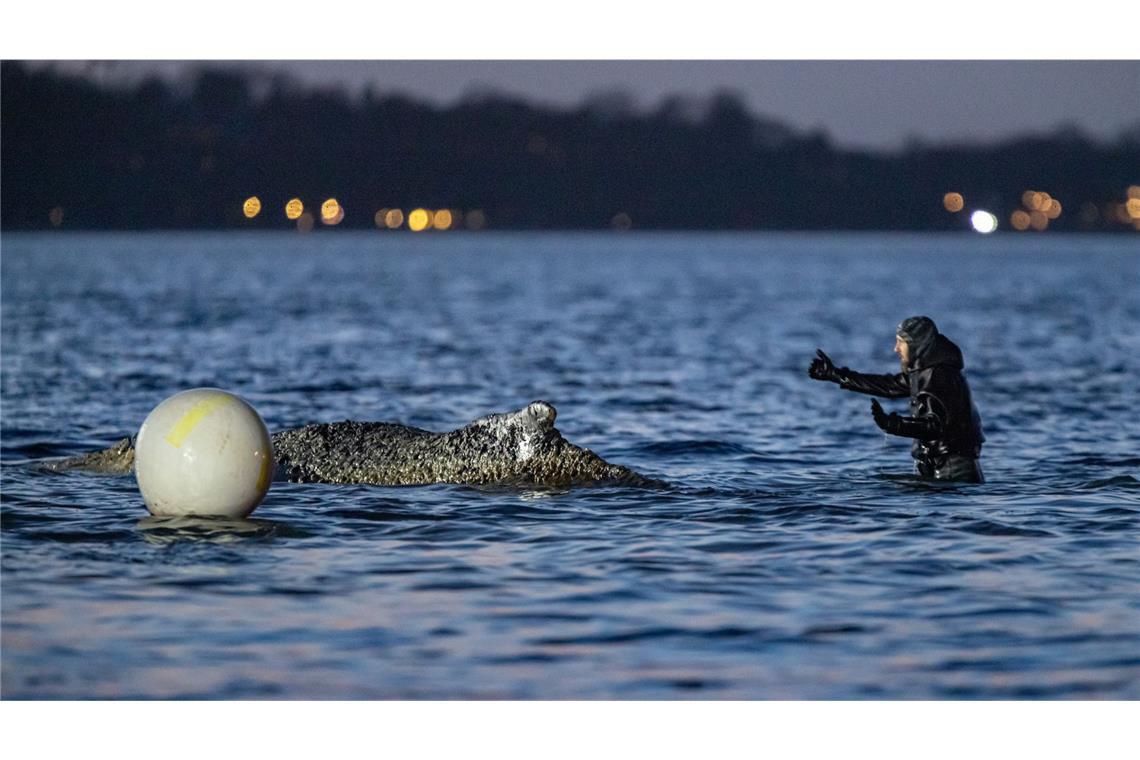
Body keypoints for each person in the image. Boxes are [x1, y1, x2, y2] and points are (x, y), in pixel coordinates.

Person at [808, 316, 985, 483]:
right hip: (942, 467)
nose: (895, 348)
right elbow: (888, 385)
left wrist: (893, 424)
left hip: (953, 471)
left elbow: (935, 427)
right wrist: (836, 375)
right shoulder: (926, 371)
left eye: (901, 342)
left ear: (917, 345)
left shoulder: (939, 376)